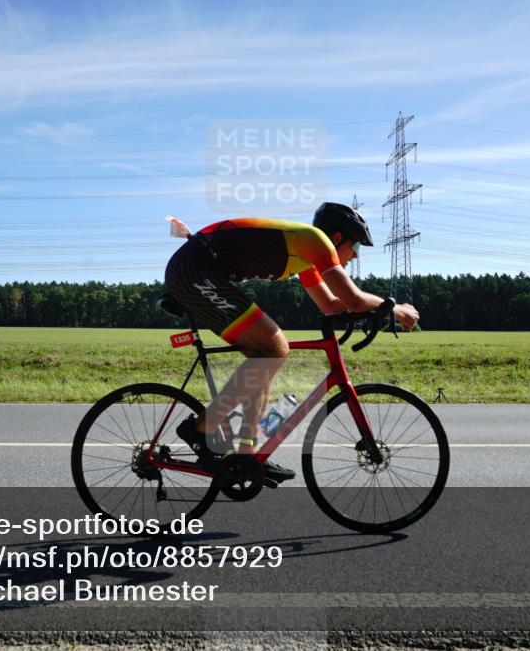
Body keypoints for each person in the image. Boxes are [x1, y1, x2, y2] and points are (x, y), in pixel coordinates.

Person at [164, 202, 420, 483]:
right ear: (337, 238)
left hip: (198, 271)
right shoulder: (315, 241)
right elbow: (354, 299)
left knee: (264, 355)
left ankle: (247, 455)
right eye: (356, 247)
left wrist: (377, 314)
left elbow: (332, 306)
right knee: (275, 347)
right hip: (194, 272)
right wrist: (395, 309)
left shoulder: (306, 256)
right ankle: (199, 428)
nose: (355, 256)